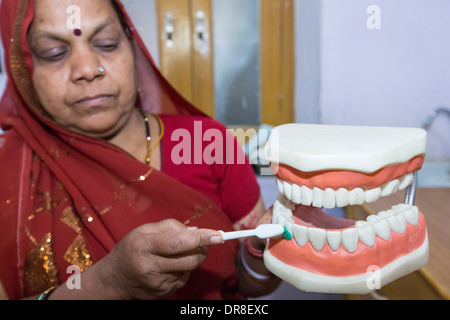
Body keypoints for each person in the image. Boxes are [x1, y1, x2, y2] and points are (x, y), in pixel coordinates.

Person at [0, 0, 280, 300]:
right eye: (54, 54)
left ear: (132, 48)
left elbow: (246, 282)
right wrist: (108, 284)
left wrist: (259, 252)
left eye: (106, 44)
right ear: (23, 69)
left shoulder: (206, 142)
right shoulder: (10, 175)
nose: (87, 69)